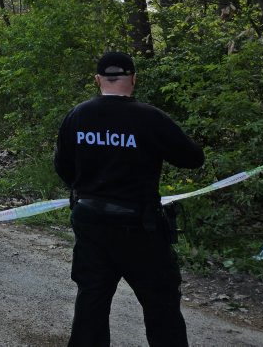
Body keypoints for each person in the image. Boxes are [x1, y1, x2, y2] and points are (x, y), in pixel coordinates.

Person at [54, 51, 205, 347]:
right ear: (133, 79)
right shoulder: (150, 117)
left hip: (90, 223)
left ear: (98, 80)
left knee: (91, 302)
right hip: (140, 228)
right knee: (161, 305)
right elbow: (192, 158)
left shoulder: (77, 115)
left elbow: (62, 166)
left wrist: (88, 187)